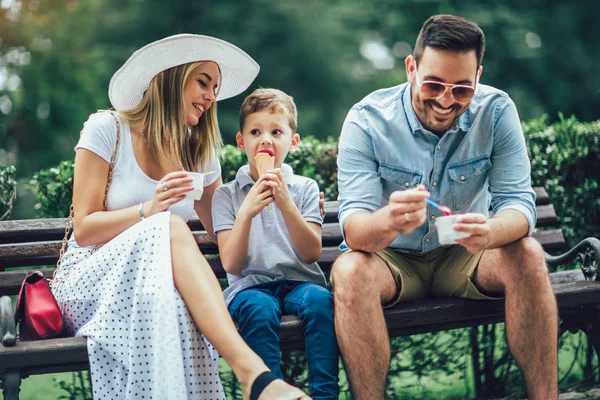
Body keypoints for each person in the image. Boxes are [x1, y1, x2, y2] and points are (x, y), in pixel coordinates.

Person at [50, 34, 311, 400]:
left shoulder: (198, 151)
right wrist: (149, 210)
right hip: (93, 283)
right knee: (170, 225)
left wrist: (266, 201)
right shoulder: (108, 129)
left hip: (156, 285)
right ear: (171, 76)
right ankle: (254, 375)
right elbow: (84, 230)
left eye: (215, 88)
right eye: (202, 82)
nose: (210, 96)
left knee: (173, 303)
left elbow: (224, 231)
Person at [332, 15, 558, 400]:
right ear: (411, 67)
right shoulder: (367, 120)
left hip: (465, 255)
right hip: (392, 261)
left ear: (478, 76)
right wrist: (387, 219)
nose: (445, 100)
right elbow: (354, 230)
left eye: (462, 90)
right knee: (350, 271)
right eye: (434, 84)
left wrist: (490, 232)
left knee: (528, 254)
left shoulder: (497, 111)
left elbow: (518, 204)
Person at [211, 88, 339, 400]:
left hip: (299, 281)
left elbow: (311, 253)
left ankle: (325, 395)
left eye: (276, 131)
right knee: (258, 309)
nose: (266, 139)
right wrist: (247, 212)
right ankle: (270, 393)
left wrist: (286, 204)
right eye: (255, 132)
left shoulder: (305, 188)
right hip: (249, 287)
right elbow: (231, 265)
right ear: (242, 142)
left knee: (321, 302)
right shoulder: (226, 196)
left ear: (292, 143)